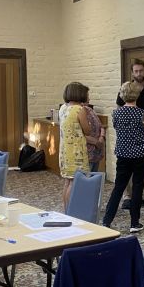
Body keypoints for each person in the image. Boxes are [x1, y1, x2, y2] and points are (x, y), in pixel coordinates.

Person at [102, 81, 144, 233]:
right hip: (140, 155)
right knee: (137, 187)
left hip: (123, 154)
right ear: (137, 95)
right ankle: (134, 223)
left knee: (118, 187)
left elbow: (119, 130)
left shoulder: (116, 113)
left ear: (122, 95)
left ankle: (106, 220)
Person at [117, 58, 144, 209]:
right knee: (129, 165)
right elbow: (119, 110)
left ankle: (143, 196)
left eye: (141, 71)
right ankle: (128, 197)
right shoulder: (126, 89)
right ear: (132, 72)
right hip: (129, 135)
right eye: (136, 71)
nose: (139, 73)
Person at [58, 82, 91, 210]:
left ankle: (67, 209)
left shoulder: (63, 109)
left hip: (65, 152)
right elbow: (87, 130)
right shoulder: (79, 110)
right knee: (74, 182)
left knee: (67, 181)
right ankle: (72, 211)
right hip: (76, 152)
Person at [83, 98, 105, 173]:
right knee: (87, 178)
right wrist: (96, 142)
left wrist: (101, 137)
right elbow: (81, 134)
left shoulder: (90, 110)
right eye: (87, 97)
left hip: (96, 152)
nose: (89, 99)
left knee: (94, 176)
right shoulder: (79, 112)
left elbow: (101, 125)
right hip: (87, 153)